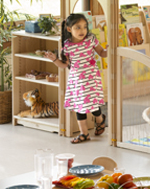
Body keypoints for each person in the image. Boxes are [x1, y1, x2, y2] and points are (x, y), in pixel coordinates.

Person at [45, 14, 107, 144]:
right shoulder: (67, 46)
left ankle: (100, 120)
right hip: (77, 79)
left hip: (91, 77)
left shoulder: (91, 39)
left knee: (92, 104)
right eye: (78, 27)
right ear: (69, 29)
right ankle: (84, 133)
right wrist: (54, 60)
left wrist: (110, 50)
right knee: (80, 106)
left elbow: (102, 53)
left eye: (84, 27)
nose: (82, 31)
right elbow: (64, 65)